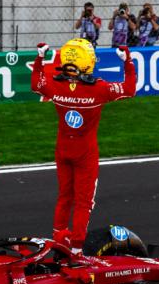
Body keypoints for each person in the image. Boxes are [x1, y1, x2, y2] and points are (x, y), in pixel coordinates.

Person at [30, 39, 136, 255]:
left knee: (64, 196)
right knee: (83, 202)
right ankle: (77, 248)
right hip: (85, 153)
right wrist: (128, 62)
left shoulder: (54, 84)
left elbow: (36, 84)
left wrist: (40, 58)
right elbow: (130, 88)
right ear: (86, 62)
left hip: (62, 149)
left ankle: (59, 239)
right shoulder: (98, 88)